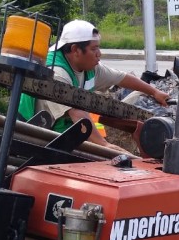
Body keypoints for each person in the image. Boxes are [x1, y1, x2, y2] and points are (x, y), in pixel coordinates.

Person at [18, 20, 170, 151]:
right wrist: (104, 145)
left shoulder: (90, 68)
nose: (99, 53)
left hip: (65, 133)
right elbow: (77, 113)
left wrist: (155, 92)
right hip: (32, 134)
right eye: (94, 48)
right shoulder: (56, 72)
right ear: (75, 50)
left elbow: (121, 78)